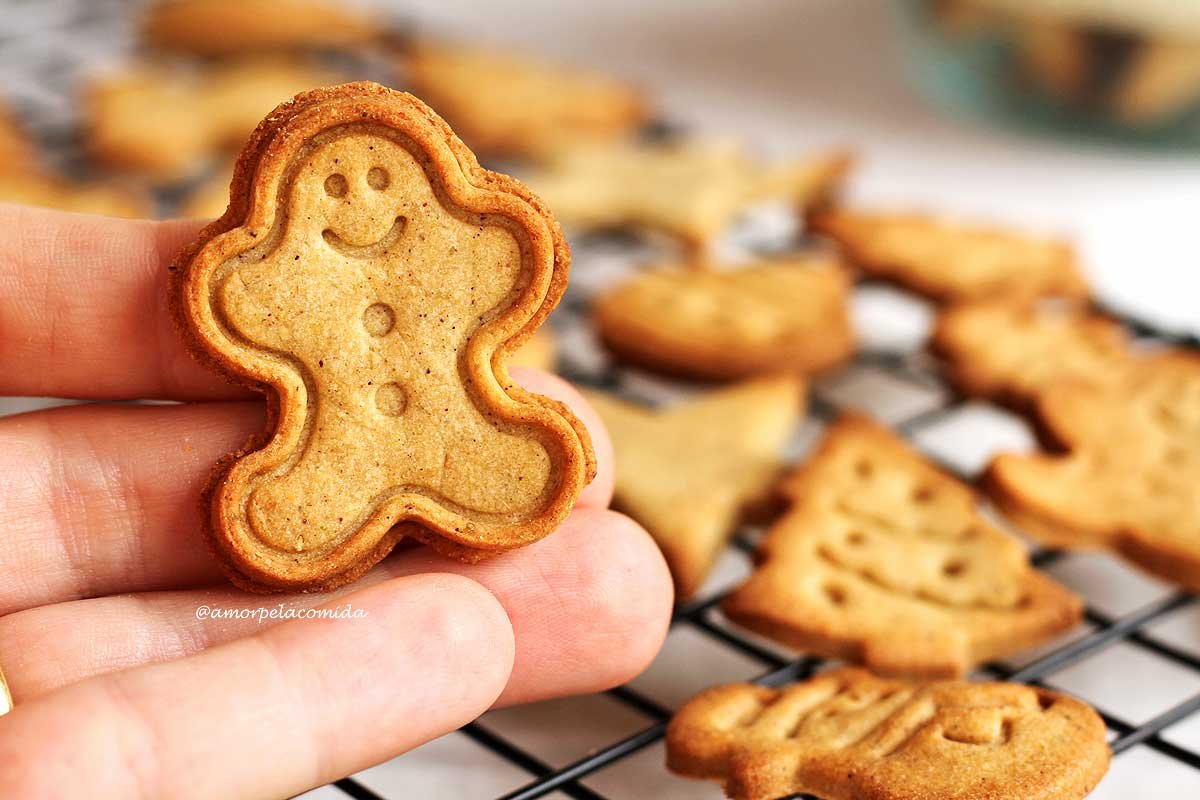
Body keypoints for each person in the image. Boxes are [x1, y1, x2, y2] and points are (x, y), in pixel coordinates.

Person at [0, 205, 673, 798]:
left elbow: (506, 250)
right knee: (279, 517)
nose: (357, 198)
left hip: (457, 436)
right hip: (328, 459)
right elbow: (237, 288)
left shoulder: (476, 242)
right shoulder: (261, 271)